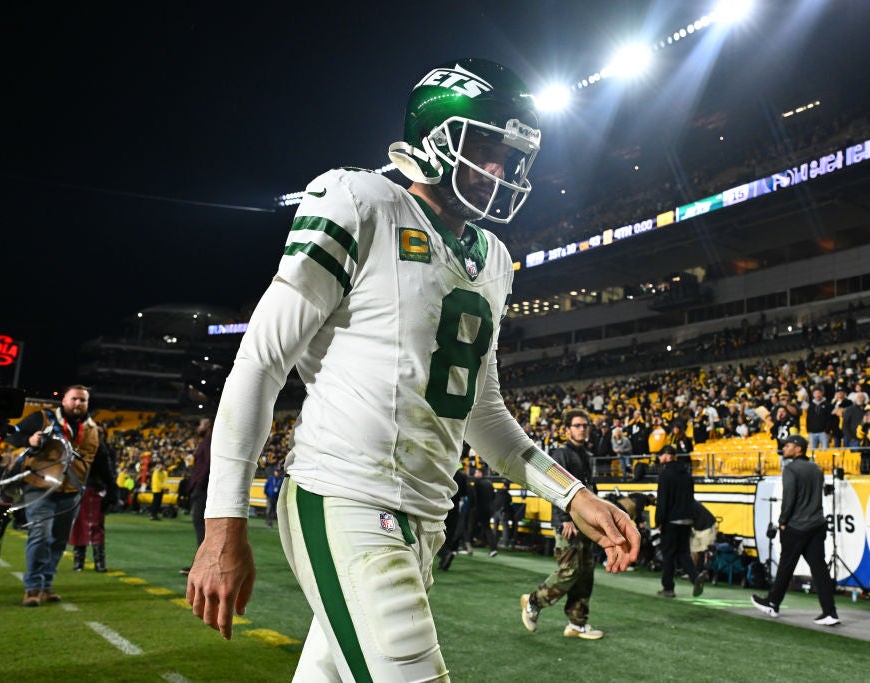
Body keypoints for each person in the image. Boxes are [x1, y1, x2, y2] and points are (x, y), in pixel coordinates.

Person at [186, 58, 639, 682]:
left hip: (425, 517)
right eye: (486, 148)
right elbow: (261, 360)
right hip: (344, 495)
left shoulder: (496, 259)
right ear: (436, 134)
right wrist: (222, 524)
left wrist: (572, 493)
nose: (499, 171)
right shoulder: (359, 199)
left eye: (511, 158)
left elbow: (481, 411)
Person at [5, 385, 105, 607]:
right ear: (64, 400)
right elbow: (11, 436)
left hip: (71, 491)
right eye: (74, 399)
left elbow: (99, 461)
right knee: (40, 535)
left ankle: (46, 584)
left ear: (87, 403)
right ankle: (33, 587)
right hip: (39, 488)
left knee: (59, 540)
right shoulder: (42, 418)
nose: (78, 404)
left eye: (82, 400)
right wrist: (29, 441)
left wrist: (109, 488)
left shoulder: (92, 429)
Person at [521, 409, 608, 640]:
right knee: (569, 571)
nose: (582, 429)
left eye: (585, 425)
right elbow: (555, 487)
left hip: (587, 525)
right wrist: (565, 518)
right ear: (567, 429)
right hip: (568, 523)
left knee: (586, 574)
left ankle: (577, 624)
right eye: (577, 425)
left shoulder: (587, 455)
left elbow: (590, 492)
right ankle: (533, 600)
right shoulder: (560, 453)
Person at [751, 434, 840, 626]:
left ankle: (773, 603)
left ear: (798, 449)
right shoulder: (816, 469)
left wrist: (783, 521)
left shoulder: (791, 469)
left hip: (796, 526)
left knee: (786, 566)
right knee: (819, 569)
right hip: (816, 525)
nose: (785, 448)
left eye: (788, 445)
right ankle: (830, 611)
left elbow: (789, 497)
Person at [654, 445, 708, 598]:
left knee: (669, 554)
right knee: (683, 552)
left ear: (667, 455)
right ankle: (694, 576)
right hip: (687, 519)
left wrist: (659, 521)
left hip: (671, 520)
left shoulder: (665, 474)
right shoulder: (687, 475)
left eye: (661, 455)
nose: (659, 459)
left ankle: (668, 588)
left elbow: (663, 501)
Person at [69, 425, 117, 572]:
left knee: (96, 525)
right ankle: (80, 562)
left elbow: (108, 474)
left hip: (95, 490)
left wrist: (111, 492)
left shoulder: (104, 453)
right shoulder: (79, 450)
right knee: (78, 526)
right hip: (81, 489)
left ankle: (97, 562)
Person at [181, 417, 212, 575]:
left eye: (201, 423)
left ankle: (202, 565)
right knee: (201, 525)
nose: (198, 427)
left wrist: (198, 486)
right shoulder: (208, 441)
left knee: (200, 524)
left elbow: (207, 465)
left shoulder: (209, 442)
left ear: (208, 425)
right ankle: (203, 564)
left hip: (203, 489)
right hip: (202, 488)